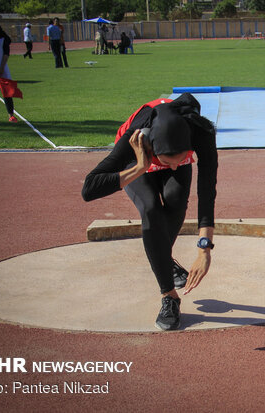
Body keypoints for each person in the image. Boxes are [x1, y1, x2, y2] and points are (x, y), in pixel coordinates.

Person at [81, 93, 218, 331]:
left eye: (181, 159)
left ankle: (164, 259)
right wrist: (140, 167)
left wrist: (204, 249)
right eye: (169, 161)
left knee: (176, 201)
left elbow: (207, 191)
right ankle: (170, 297)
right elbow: (89, 189)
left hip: (165, 147)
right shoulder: (133, 137)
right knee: (152, 210)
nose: (174, 166)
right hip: (138, 157)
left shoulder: (200, 133)